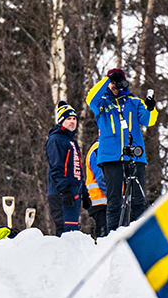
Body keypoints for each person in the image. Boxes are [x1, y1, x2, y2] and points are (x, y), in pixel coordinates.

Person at [85, 68, 158, 231]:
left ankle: (139, 234)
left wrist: (151, 107)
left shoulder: (134, 102)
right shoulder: (102, 103)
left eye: (118, 83)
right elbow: (90, 98)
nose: (116, 87)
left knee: (138, 199)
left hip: (135, 155)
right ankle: (112, 235)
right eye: (113, 84)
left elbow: (149, 121)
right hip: (110, 157)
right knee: (114, 200)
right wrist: (107, 80)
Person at [46, 101, 84, 235]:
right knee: (64, 233)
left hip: (74, 192)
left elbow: (76, 168)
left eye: (74, 119)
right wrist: (64, 189)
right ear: (61, 120)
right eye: (68, 119)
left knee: (73, 232)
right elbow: (56, 167)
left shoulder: (72, 141)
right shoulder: (56, 139)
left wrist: (83, 191)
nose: (72, 122)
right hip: (61, 193)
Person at [83, 140, 107, 238]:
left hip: (102, 201)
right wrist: (114, 195)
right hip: (100, 201)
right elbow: (101, 177)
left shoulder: (105, 148)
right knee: (103, 236)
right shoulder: (98, 149)